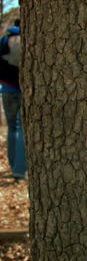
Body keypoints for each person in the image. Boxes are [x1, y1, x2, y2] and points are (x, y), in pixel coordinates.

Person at [0, 19, 27, 182]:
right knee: (23, 129)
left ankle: (12, 165)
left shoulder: (4, 40)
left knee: (12, 128)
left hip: (7, 90)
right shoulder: (28, 40)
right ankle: (20, 171)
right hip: (24, 90)